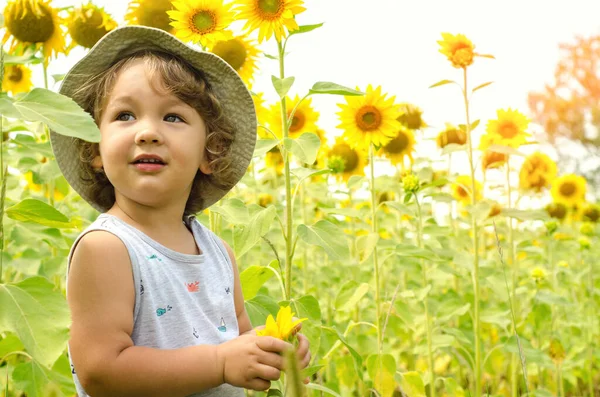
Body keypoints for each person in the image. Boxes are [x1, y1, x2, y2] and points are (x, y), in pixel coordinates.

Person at [50, 25, 310, 397]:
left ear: (210, 151)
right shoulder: (106, 248)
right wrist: (220, 363)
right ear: (94, 147)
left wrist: (270, 346)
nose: (147, 132)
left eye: (172, 117)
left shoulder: (219, 252)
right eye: (125, 115)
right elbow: (101, 370)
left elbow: (235, 336)